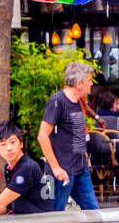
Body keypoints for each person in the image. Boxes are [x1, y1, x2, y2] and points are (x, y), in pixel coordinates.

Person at [38, 62, 100, 211]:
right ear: (79, 84)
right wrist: (55, 167)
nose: (91, 83)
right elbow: (42, 136)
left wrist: (85, 157)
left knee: (94, 213)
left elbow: (77, 133)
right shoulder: (57, 101)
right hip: (62, 170)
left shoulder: (78, 101)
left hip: (80, 168)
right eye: (88, 80)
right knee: (54, 214)